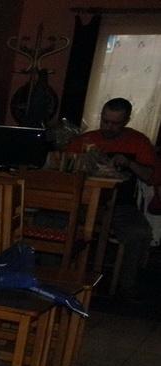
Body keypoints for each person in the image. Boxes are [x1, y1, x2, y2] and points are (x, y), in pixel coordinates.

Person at [67, 98, 155, 300]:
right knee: (52, 221)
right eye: (105, 121)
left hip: (120, 206)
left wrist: (129, 163)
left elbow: (151, 177)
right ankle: (57, 277)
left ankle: (126, 288)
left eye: (115, 123)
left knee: (139, 233)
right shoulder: (86, 139)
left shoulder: (138, 141)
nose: (108, 127)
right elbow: (64, 168)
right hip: (83, 202)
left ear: (126, 121)